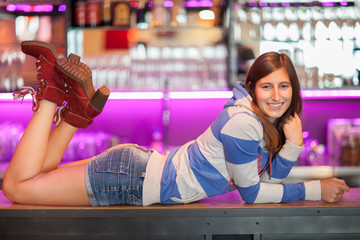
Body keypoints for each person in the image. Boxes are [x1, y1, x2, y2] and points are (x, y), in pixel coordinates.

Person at [2, 41, 350, 206]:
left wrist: (292, 144)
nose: (276, 95)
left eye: (284, 86)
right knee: (17, 188)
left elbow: (268, 180)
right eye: (267, 86)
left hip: (135, 172)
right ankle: (50, 93)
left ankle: (76, 114)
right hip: (131, 180)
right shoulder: (243, 124)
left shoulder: (254, 119)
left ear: (295, 89)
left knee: (36, 179)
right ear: (253, 89)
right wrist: (316, 189)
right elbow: (254, 194)